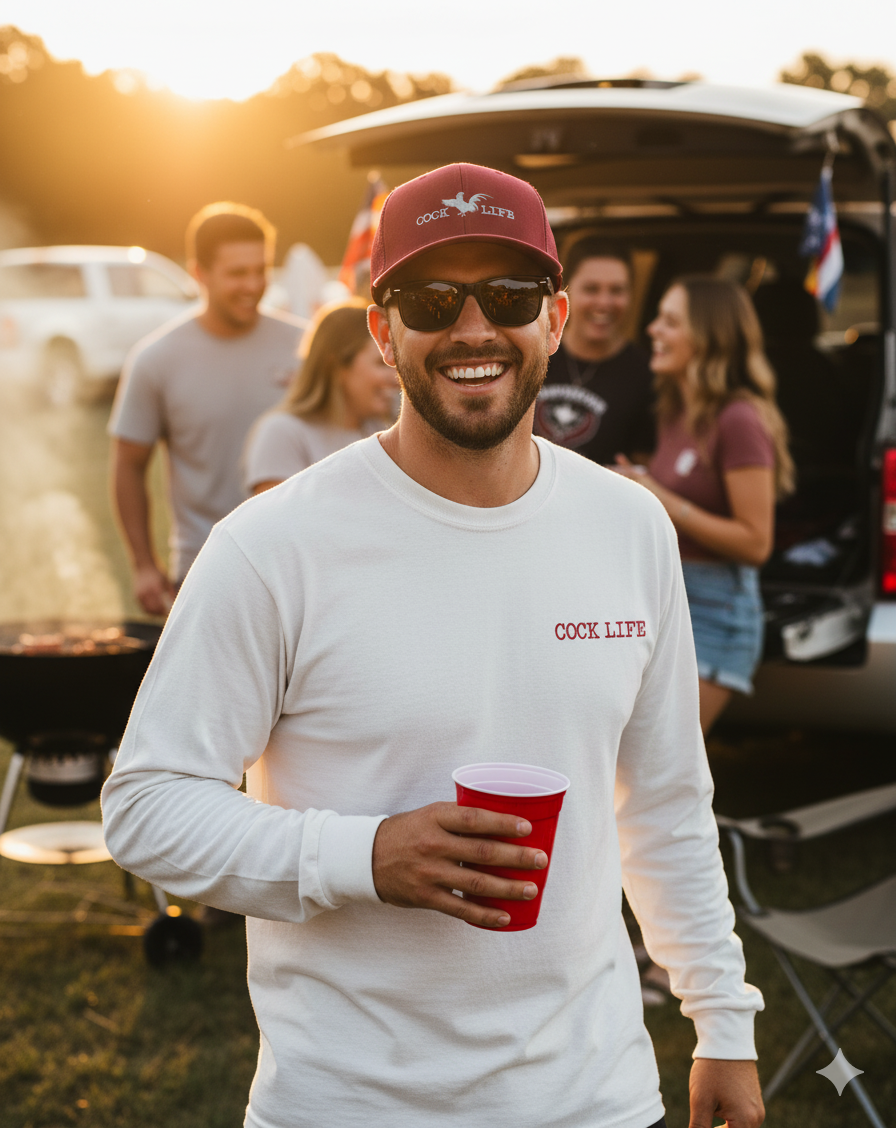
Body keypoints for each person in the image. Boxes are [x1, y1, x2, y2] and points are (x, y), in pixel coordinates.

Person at [103, 164, 764, 1128]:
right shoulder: (274, 545)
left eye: (508, 296)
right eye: (429, 298)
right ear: (381, 330)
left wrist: (722, 1019)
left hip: (597, 1096)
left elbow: (663, 802)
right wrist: (363, 855)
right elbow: (148, 808)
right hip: (349, 1104)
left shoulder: (629, 526)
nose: (472, 329)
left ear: (556, 319)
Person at [615, 276, 794, 733]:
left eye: (670, 321)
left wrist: (656, 494)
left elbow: (756, 543)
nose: (652, 329)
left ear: (709, 337)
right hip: (667, 603)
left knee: (662, 777)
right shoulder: (675, 411)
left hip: (717, 615)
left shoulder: (740, 419)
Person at [109, 202, 305, 614]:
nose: (253, 284)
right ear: (200, 273)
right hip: (203, 572)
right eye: (238, 273)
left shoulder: (305, 347)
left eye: (261, 270)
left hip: (301, 567)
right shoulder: (156, 360)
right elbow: (128, 464)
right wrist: (144, 565)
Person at [243, 298, 397, 495]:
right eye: (380, 363)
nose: (395, 376)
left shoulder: (378, 429)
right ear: (337, 366)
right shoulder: (282, 433)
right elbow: (275, 523)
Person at [534, 237, 654, 463]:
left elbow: (643, 469)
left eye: (617, 290)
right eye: (591, 289)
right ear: (565, 290)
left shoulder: (646, 375)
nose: (604, 302)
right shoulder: (533, 353)